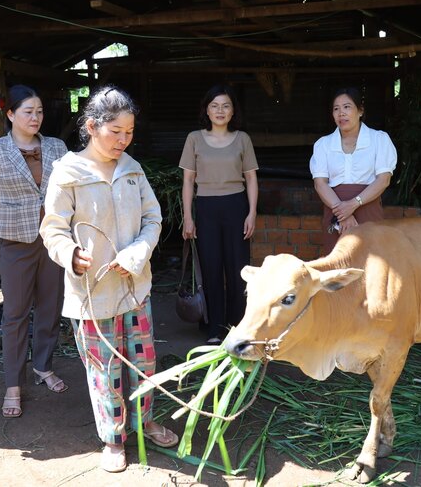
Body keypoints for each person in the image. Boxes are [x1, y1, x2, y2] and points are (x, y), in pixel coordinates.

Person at [39, 86, 178, 473]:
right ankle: (113, 438)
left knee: (144, 362)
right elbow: (52, 228)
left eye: (129, 131)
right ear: (91, 127)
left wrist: (137, 253)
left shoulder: (133, 169)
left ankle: (145, 420)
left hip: (135, 287)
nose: (123, 139)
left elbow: (153, 218)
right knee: (105, 369)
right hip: (92, 293)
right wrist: (69, 255)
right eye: (115, 131)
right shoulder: (68, 172)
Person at [0, 85, 69, 419]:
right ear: (10, 114)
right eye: (28, 111)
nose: (35, 117)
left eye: (40, 111)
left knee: (50, 306)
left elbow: (70, 188)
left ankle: (43, 365)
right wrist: (2, 224)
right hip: (15, 242)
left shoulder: (56, 146)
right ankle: (13, 382)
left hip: (54, 240)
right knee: (14, 313)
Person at [179, 84, 258, 345]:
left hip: (236, 206)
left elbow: (251, 178)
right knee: (211, 267)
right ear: (207, 110)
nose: (220, 110)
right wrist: (188, 217)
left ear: (233, 110)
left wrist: (252, 213)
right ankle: (214, 327)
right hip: (206, 208)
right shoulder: (194, 138)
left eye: (225, 105)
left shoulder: (243, 139)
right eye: (215, 105)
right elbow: (188, 181)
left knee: (238, 268)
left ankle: (238, 325)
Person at [309, 87, 397, 254]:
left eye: (347, 107)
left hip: (367, 210)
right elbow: (320, 184)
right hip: (335, 213)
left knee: (372, 264)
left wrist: (353, 204)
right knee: (337, 267)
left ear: (360, 110)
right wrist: (343, 213)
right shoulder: (323, 144)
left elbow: (383, 180)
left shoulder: (379, 140)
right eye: (336, 109)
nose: (341, 113)